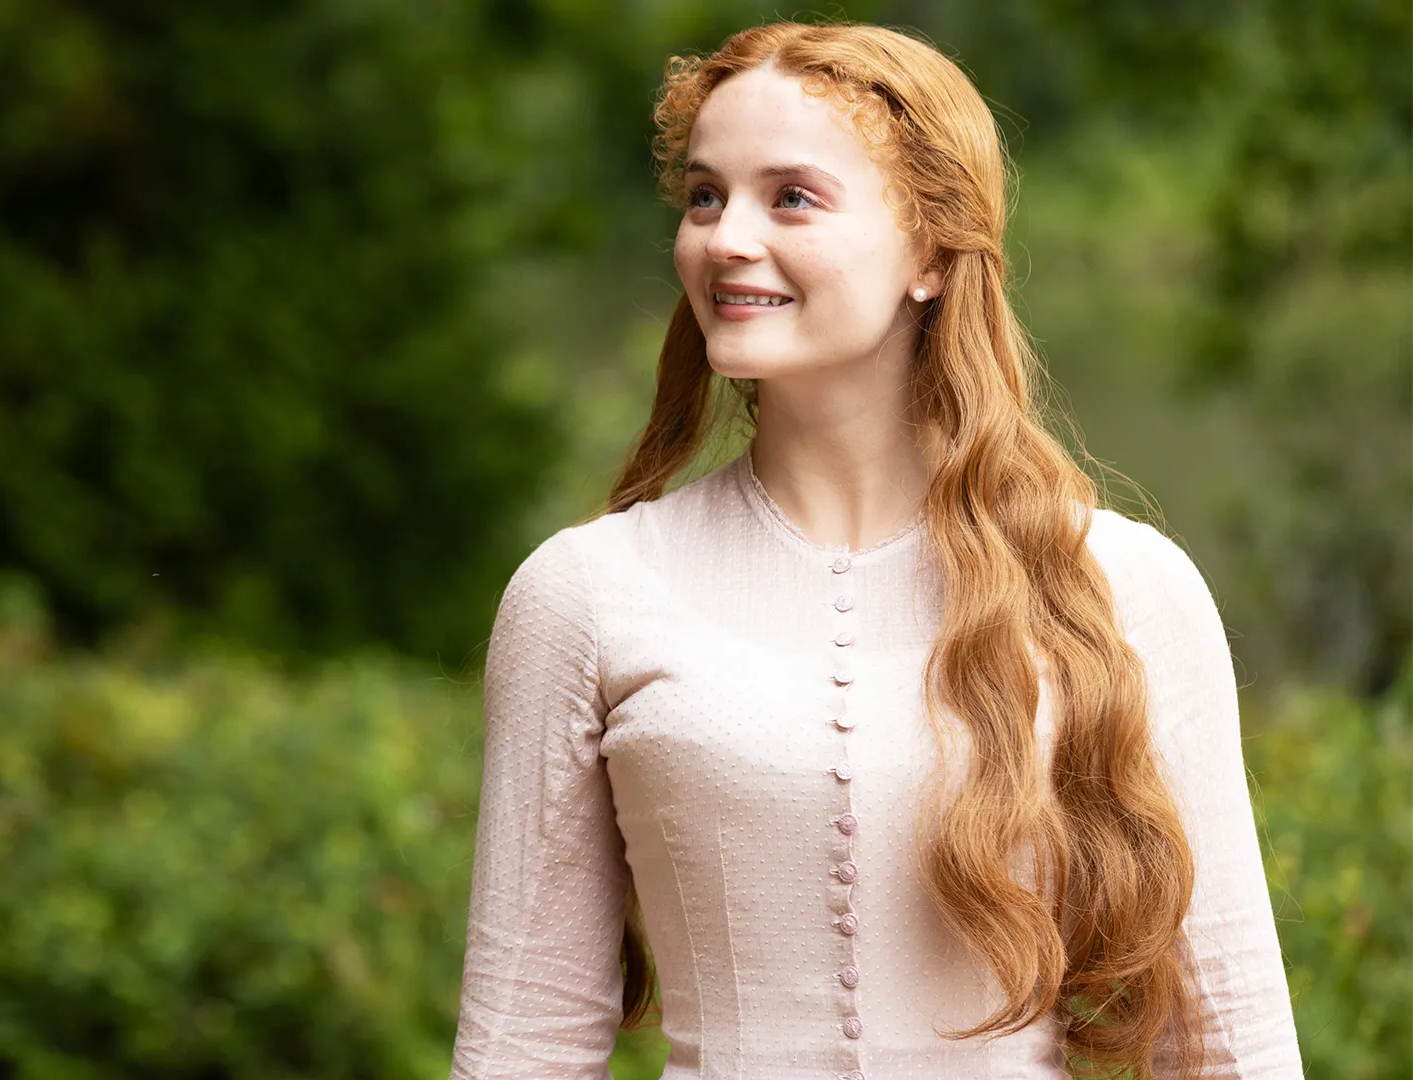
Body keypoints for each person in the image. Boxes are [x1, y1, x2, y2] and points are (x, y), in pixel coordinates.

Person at [446, 21, 1302, 1080]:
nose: (724, 238)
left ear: (931, 253)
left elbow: (1231, 1049)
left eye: (790, 196)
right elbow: (522, 1047)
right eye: (705, 196)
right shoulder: (586, 595)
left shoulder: (1125, 592)